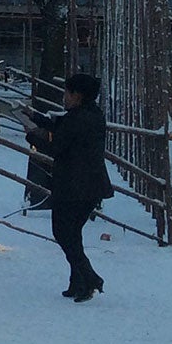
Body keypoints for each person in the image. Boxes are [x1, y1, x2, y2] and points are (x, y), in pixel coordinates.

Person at [26, 73, 116, 300]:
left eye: (67, 93)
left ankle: (90, 278)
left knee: (63, 232)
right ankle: (78, 282)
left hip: (73, 186)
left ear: (77, 95)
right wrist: (34, 116)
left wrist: (32, 137)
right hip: (90, 185)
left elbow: (56, 146)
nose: (64, 97)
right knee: (72, 234)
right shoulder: (90, 115)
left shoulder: (78, 119)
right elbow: (61, 126)